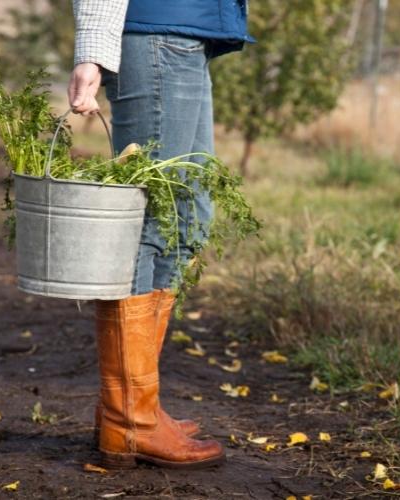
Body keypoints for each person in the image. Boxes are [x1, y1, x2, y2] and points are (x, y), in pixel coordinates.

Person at [68, 0, 253, 470]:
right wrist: (90, 52)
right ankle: (129, 420)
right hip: (155, 39)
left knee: (185, 220)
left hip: (182, 40)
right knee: (151, 223)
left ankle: (134, 406)